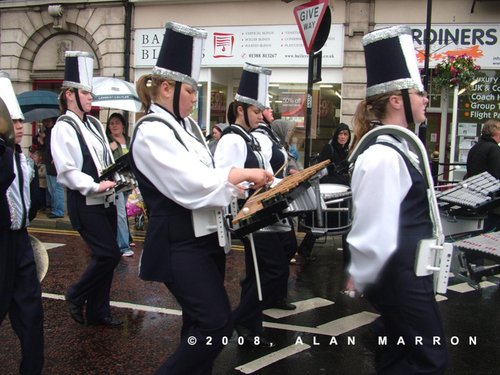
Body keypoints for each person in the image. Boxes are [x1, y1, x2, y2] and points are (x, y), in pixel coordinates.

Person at [129, 22, 272, 374]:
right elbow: (193, 186)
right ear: (166, 87)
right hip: (179, 243)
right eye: (191, 90)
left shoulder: (188, 127)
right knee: (215, 325)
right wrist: (241, 176)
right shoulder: (151, 131)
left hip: (205, 240)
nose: (196, 96)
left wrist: (250, 188)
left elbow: (210, 181)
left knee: (197, 327)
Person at [346, 25, 448, 374]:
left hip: (403, 274)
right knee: (429, 360)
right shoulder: (383, 155)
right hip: (398, 276)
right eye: (419, 93)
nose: (425, 100)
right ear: (396, 100)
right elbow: (372, 224)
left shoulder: (399, 148)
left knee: (398, 355)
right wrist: (361, 272)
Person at [214, 63, 290, 344]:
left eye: (261, 111)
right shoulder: (232, 139)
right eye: (256, 111)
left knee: (260, 272)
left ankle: (250, 326)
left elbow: (266, 175)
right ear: (240, 110)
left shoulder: (252, 139)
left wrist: (287, 183)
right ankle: (239, 320)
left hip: (261, 213)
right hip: (248, 217)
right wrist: (251, 182)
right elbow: (223, 180)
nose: (260, 116)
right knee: (273, 270)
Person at [51, 51, 123, 327]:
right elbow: (67, 171)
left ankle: (98, 312)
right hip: (84, 202)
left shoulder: (93, 123)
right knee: (109, 255)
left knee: (106, 256)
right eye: (85, 92)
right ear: (70, 94)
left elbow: (103, 159)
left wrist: (116, 176)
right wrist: (94, 185)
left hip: (105, 198)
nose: (91, 97)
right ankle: (75, 294)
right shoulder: (63, 127)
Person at [0, 72, 44, 374]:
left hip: (20, 241)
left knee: (31, 312)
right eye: (11, 120)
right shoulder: (4, 158)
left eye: (19, 121)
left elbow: (33, 201)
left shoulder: (24, 161)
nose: (18, 126)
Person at [252, 116, 299, 310]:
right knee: (276, 260)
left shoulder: (278, 143)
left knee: (288, 245)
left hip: (279, 198)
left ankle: (276, 295)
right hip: (266, 202)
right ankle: (264, 298)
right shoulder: (261, 138)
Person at [297, 123, 352, 265]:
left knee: (344, 221)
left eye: (345, 134)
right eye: (340, 134)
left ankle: (348, 256)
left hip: (341, 192)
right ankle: (304, 250)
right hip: (328, 191)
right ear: (336, 135)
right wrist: (341, 177)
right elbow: (321, 172)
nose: (343, 137)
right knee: (320, 222)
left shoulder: (347, 150)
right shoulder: (329, 148)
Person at [106, 112, 134, 257]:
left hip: (130, 181)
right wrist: (108, 150)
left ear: (123, 125)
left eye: (117, 122)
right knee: (121, 213)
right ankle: (123, 247)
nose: (114, 125)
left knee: (126, 212)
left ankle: (126, 238)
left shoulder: (129, 140)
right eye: (111, 123)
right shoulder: (107, 141)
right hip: (116, 182)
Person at [466, 119, 500, 232]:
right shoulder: (494, 149)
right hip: (491, 203)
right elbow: (497, 175)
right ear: (493, 131)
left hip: (475, 196)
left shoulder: (476, 147)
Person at [40, 117, 66, 219]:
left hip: (54, 163)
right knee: (52, 188)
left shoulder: (55, 131)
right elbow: (46, 148)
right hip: (49, 162)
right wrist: (42, 141)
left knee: (56, 188)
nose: (44, 122)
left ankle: (59, 211)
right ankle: (55, 209)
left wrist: (57, 157)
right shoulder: (48, 132)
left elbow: (59, 146)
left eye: (46, 120)